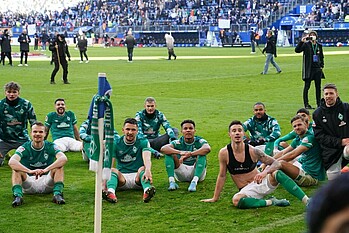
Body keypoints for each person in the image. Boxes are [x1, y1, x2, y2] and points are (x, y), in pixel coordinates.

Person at [201, 120, 310, 209]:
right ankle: (271, 202)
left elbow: (276, 163)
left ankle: (307, 201)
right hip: (247, 190)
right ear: (229, 134)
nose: (237, 133)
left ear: (244, 133)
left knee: (276, 172)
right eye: (234, 131)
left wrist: (265, 173)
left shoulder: (253, 151)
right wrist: (215, 197)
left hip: (261, 182)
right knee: (236, 200)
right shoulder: (224, 153)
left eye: (240, 130)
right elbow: (222, 175)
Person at [9, 122, 67, 207]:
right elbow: (12, 161)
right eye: (35, 131)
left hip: (47, 182)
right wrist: (30, 171)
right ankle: (18, 196)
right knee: (16, 169)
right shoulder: (25, 147)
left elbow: (63, 158)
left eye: (40, 132)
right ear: (31, 133)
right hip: (29, 182)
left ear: (45, 134)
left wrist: (46, 170)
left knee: (59, 167)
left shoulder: (50, 146)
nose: (37, 134)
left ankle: (57, 194)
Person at [103, 118, 156, 203]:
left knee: (143, 168)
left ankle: (147, 191)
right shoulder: (115, 143)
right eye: (128, 129)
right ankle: (110, 193)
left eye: (133, 130)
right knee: (112, 170)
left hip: (138, 178)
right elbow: (110, 164)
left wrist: (148, 170)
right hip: (121, 179)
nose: (130, 132)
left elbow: (147, 159)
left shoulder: (143, 141)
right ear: (123, 130)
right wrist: (104, 183)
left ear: (137, 131)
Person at [273, 115, 325, 186]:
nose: (297, 127)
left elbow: (292, 154)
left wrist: (273, 163)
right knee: (280, 163)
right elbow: (283, 152)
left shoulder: (310, 138)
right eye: (295, 126)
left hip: (311, 176)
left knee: (281, 163)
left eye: (299, 125)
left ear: (306, 124)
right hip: (302, 166)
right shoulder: (298, 138)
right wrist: (265, 164)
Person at [160, 119, 211, 192]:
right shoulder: (178, 142)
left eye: (190, 128)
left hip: (196, 171)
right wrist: (180, 152)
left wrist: (191, 154)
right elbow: (163, 149)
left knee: (202, 154)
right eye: (185, 128)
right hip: (182, 172)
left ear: (194, 131)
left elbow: (207, 148)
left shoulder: (199, 141)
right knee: (169, 153)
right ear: (182, 131)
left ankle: (194, 182)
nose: (188, 130)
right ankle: (172, 182)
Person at [312, 83, 349, 180]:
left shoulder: (346, 108)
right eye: (326, 94)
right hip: (331, 151)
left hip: (347, 145)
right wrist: (340, 142)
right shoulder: (317, 114)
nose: (329, 96)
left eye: (331, 93)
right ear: (323, 96)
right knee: (333, 182)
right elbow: (320, 136)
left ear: (337, 94)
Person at [0, 82, 37, 166]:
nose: (11, 94)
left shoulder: (26, 104)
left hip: (22, 139)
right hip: (4, 140)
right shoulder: (0, 105)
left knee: (31, 162)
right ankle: (5, 154)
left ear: (18, 92)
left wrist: (35, 138)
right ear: (5, 92)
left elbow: (33, 122)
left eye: (14, 92)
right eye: (9, 92)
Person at [295, 30, 325, 110]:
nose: (312, 36)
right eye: (311, 35)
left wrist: (322, 65)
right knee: (307, 87)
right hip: (309, 69)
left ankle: (319, 104)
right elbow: (297, 50)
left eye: (313, 35)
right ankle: (306, 104)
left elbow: (321, 56)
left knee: (318, 87)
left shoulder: (319, 45)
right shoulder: (306, 44)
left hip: (317, 69)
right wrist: (301, 42)